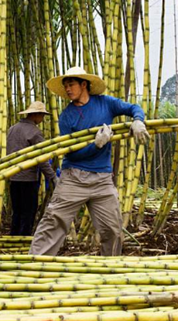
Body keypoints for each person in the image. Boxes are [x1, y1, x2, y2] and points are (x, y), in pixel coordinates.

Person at [29, 66, 150, 256]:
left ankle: (110, 268)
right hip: (73, 177)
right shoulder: (66, 116)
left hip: (102, 179)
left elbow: (133, 107)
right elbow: (72, 154)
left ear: (83, 84)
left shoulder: (105, 103)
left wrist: (138, 120)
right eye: (66, 86)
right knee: (53, 221)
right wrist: (97, 144)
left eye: (71, 85)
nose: (68, 89)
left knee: (112, 228)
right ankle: (35, 265)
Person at [7, 101, 59, 236]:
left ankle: (14, 237)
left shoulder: (12, 129)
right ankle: (23, 239)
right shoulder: (34, 132)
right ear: (36, 115)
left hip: (13, 177)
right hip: (28, 179)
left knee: (17, 210)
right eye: (42, 116)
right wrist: (52, 176)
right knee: (28, 211)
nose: (42, 119)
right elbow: (41, 159)